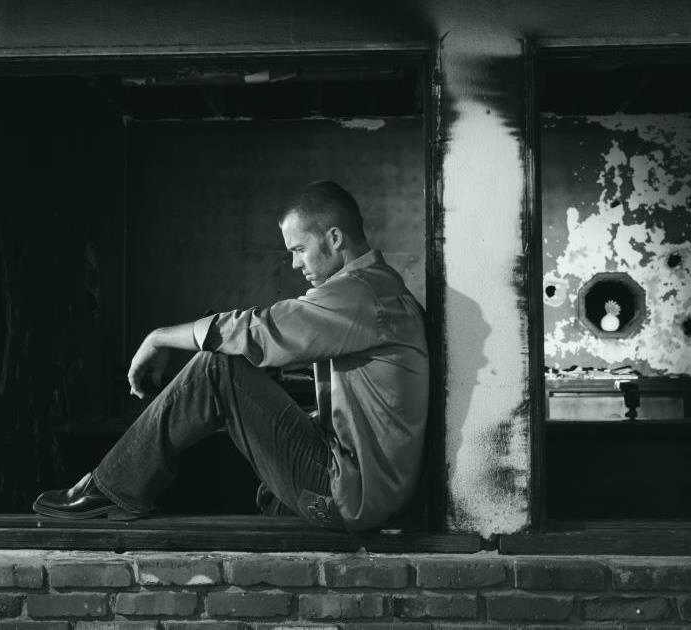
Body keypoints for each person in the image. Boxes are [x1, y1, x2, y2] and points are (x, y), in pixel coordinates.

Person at [33, 181, 429, 532]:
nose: (294, 263)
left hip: (350, 499)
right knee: (240, 366)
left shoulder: (360, 294)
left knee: (218, 365)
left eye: (299, 249)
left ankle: (111, 488)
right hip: (364, 492)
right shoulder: (378, 289)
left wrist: (158, 338)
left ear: (335, 238)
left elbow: (261, 330)